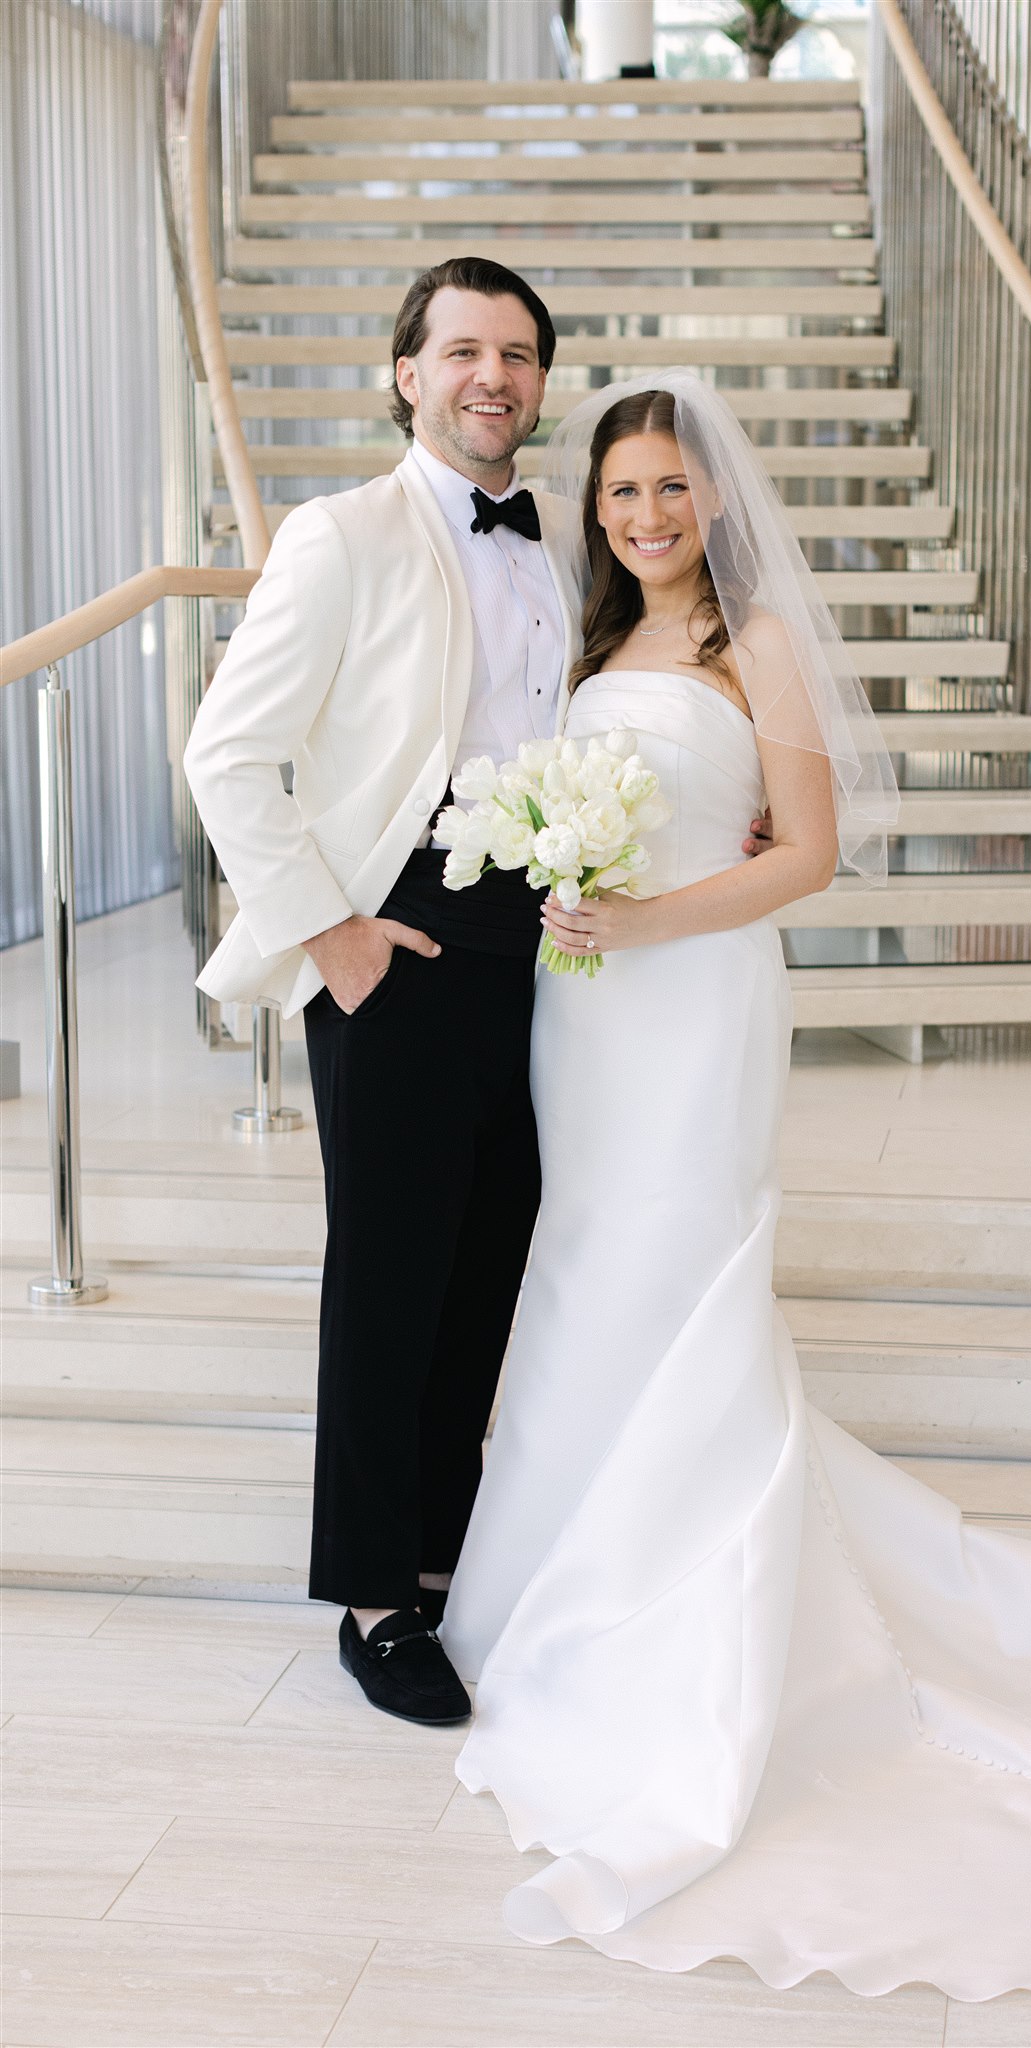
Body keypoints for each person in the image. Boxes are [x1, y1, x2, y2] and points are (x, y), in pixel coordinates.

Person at [439, 373, 1031, 2000]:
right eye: (620, 496)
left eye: (667, 490)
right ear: (594, 514)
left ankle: (685, 1628)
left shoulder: (758, 649)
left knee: (675, 1267)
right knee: (581, 1265)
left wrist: (643, 921)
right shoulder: (588, 656)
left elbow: (806, 853)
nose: (645, 517)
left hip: (694, 1000)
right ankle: (554, 1584)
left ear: (711, 498)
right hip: (581, 1017)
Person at [184, 261, 777, 1726]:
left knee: (495, 1252)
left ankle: (452, 1553)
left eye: (515, 354)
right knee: (389, 1268)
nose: (489, 377)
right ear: (407, 372)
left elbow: (630, 714)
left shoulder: (567, 561)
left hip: (554, 946)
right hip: (396, 939)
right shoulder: (343, 536)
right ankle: (375, 1596)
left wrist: (732, 809)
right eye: (461, 351)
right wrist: (333, 936)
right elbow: (225, 757)